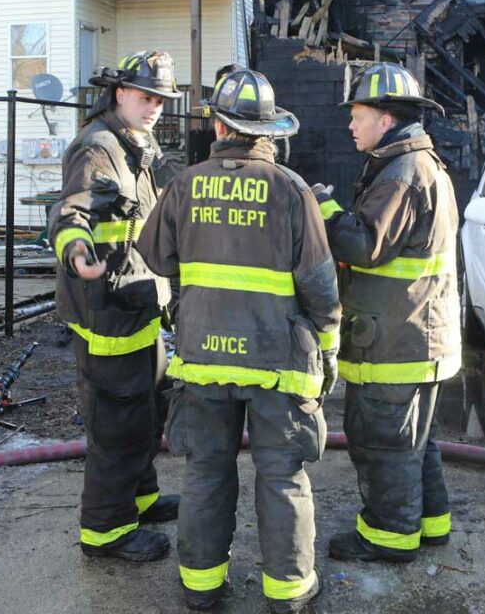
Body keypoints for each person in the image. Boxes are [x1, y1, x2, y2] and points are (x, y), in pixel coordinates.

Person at [138, 69, 339, 612]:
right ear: (268, 130)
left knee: (205, 471)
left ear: (218, 125)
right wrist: (330, 345)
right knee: (282, 478)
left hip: (202, 359)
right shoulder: (293, 190)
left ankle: (201, 589)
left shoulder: (184, 185)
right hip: (278, 363)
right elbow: (320, 286)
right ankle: (289, 593)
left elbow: (154, 255)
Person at [313, 63, 459, 563]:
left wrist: (324, 211)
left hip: (398, 338)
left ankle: (387, 535)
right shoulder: (417, 163)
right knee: (417, 442)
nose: (351, 126)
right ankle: (430, 524)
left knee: (384, 442)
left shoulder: (403, 172)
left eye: (358, 115)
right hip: (416, 333)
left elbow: (364, 245)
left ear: (386, 117)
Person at [52, 51, 183, 562]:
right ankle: (106, 530)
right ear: (120, 93)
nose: (154, 107)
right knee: (117, 423)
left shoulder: (137, 146)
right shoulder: (97, 148)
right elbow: (70, 212)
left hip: (139, 309)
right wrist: (76, 251)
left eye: (161, 99)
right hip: (106, 313)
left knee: (149, 409)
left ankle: (142, 498)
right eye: (146, 96)